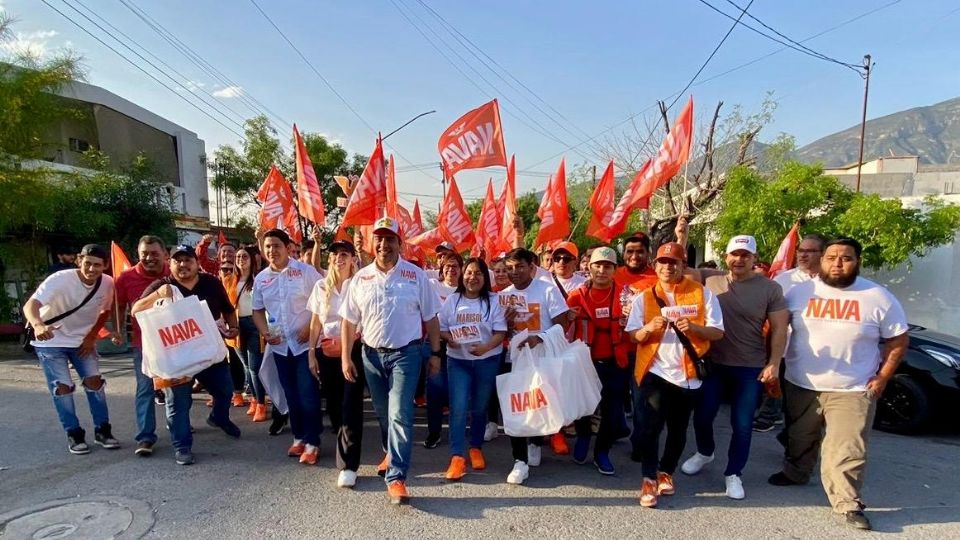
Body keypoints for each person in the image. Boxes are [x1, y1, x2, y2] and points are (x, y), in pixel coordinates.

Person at [768, 238, 908, 531]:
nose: (837, 263)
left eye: (846, 258)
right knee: (800, 436)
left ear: (858, 262)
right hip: (801, 382)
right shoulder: (798, 291)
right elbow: (776, 328)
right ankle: (796, 473)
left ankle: (848, 503)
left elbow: (897, 340)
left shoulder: (878, 296)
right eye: (831, 257)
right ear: (821, 260)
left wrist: (883, 377)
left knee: (846, 447)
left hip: (853, 389)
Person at [339, 216, 442, 505]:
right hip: (370, 355)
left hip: (406, 355)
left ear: (400, 243)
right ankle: (391, 451)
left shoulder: (416, 276)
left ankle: (396, 477)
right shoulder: (360, 278)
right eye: (379, 239)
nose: (384, 244)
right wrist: (346, 357)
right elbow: (348, 321)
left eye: (390, 239)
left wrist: (434, 353)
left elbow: (431, 317)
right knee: (384, 413)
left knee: (400, 413)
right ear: (373, 243)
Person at [680, 235, 789, 500]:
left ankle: (733, 473)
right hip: (713, 363)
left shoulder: (770, 289)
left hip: (749, 367)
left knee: (741, 424)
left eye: (745, 255)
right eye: (734, 254)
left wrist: (773, 362)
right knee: (703, 416)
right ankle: (705, 452)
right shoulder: (710, 277)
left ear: (754, 258)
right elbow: (681, 267)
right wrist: (682, 236)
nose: (739, 260)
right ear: (726, 256)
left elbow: (778, 329)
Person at [625, 242, 724, 508]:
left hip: (689, 373)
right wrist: (648, 329)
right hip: (654, 371)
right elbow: (633, 335)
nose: (668, 267)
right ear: (655, 265)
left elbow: (717, 332)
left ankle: (666, 472)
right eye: (663, 262)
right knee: (649, 428)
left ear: (683, 265)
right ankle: (648, 479)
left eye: (674, 262)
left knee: (678, 429)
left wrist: (693, 328)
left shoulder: (702, 294)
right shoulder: (643, 298)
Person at [132, 245, 241, 465]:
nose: (183, 265)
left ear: (196, 263)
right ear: (169, 263)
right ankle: (182, 446)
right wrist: (157, 296)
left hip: (208, 352)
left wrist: (233, 327)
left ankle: (219, 417)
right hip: (176, 358)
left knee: (225, 390)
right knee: (178, 403)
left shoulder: (211, 283)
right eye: (177, 260)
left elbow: (228, 309)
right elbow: (136, 310)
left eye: (187, 260)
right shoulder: (162, 285)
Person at [24, 244, 119, 455]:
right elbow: (31, 305)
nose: (92, 269)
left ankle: (103, 430)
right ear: (79, 260)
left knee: (95, 383)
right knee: (63, 388)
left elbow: (105, 310)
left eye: (97, 265)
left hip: (82, 341)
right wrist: (39, 325)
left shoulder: (107, 283)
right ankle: (74, 433)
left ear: (105, 266)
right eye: (88, 263)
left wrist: (93, 336)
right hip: (51, 341)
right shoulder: (59, 279)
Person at [252, 229, 323, 465]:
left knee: (307, 393)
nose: (272, 251)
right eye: (268, 247)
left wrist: (309, 328)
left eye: (276, 246)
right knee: (290, 393)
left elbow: (322, 301)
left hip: (305, 346)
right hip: (281, 347)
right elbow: (257, 311)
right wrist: (264, 332)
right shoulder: (261, 278)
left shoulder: (304, 271)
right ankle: (299, 436)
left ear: (287, 247)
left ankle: (313, 442)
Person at [501, 247, 571, 485]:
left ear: (532, 267)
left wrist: (539, 337)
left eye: (519, 266)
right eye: (509, 268)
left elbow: (563, 325)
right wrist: (508, 324)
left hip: (543, 358)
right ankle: (519, 461)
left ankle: (535, 442)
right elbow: (501, 332)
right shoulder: (504, 295)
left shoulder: (547, 290)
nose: (514, 272)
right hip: (517, 359)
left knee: (537, 405)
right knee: (516, 407)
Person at [438, 257, 507, 481]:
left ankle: (475, 446)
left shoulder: (494, 301)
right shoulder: (452, 300)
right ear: (462, 275)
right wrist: (450, 339)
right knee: (458, 408)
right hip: (458, 361)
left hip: (487, 360)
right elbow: (442, 328)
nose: (472, 277)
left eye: (478, 273)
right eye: (469, 272)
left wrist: (486, 347)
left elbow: (500, 332)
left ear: (485, 278)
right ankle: (457, 456)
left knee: (479, 407)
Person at [565, 246, 632, 475]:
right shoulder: (576, 295)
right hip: (584, 361)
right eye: (598, 265)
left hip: (615, 361)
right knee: (584, 405)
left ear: (615, 269)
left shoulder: (627, 295)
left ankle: (602, 451)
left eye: (608, 266)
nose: (602, 270)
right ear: (589, 267)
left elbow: (636, 326)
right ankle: (583, 437)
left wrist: (631, 314)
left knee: (612, 412)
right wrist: (567, 318)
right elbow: (561, 328)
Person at [307, 240, 367, 488]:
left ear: (353, 258)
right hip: (327, 351)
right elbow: (315, 323)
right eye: (334, 255)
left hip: (353, 350)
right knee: (334, 407)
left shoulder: (360, 284)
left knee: (351, 405)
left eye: (344, 254)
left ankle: (348, 465)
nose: (338, 259)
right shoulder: (321, 286)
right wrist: (311, 352)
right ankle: (342, 438)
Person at [754, 234, 828, 432]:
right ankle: (785, 432)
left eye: (810, 251)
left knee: (811, 409)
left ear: (823, 254)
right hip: (786, 352)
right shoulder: (784, 280)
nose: (803, 255)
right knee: (785, 396)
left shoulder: (835, 282)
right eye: (800, 250)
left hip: (823, 356)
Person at [115, 236, 170, 456]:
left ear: (164, 254)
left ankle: (179, 425)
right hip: (143, 343)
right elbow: (119, 306)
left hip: (174, 340)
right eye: (144, 254)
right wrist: (118, 330)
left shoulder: (174, 271)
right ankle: (146, 437)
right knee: (145, 388)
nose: (149, 258)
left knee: (177, 386)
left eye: (154, 253)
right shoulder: (126, 278)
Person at [224, 245, 269, 422]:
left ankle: (261, 403)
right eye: (238, 257)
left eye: (244, 257)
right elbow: (225, 304)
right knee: (246, 367)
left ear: (252, 260)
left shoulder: (259, 279)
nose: (241, 260)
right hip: (236, 325)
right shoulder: (229, 280)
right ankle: (253, 400)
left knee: (255, 367)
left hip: (254, 324)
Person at [424, 252, 462, 448]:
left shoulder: (467, 292)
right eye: (447, 266)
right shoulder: (432, 286)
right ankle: (434, 432)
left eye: (455, 266)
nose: (451, 269)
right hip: (435, 344)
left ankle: (459, 432)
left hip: (461, 346)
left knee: (458, 391)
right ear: (441, 269)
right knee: (435, 390)